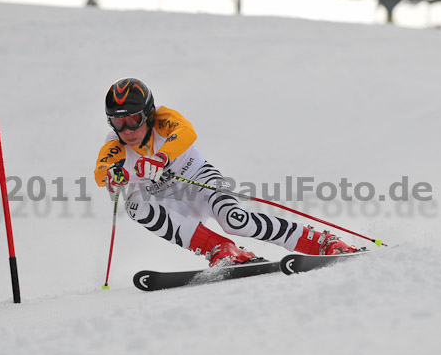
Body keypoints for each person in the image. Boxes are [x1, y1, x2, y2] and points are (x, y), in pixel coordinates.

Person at [94, 78, 357, 267]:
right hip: (167, 201)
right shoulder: (115, 144)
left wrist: (161, 158)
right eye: (118, 121)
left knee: (235, 220)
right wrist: (113, 176)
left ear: (148, 115)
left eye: (133, 119)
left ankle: (321, 241)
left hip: (197, 180)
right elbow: (102, 170)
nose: (127, 129)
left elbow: (187, 132)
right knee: (134, 205)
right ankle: (221, 250)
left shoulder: (163, 119)